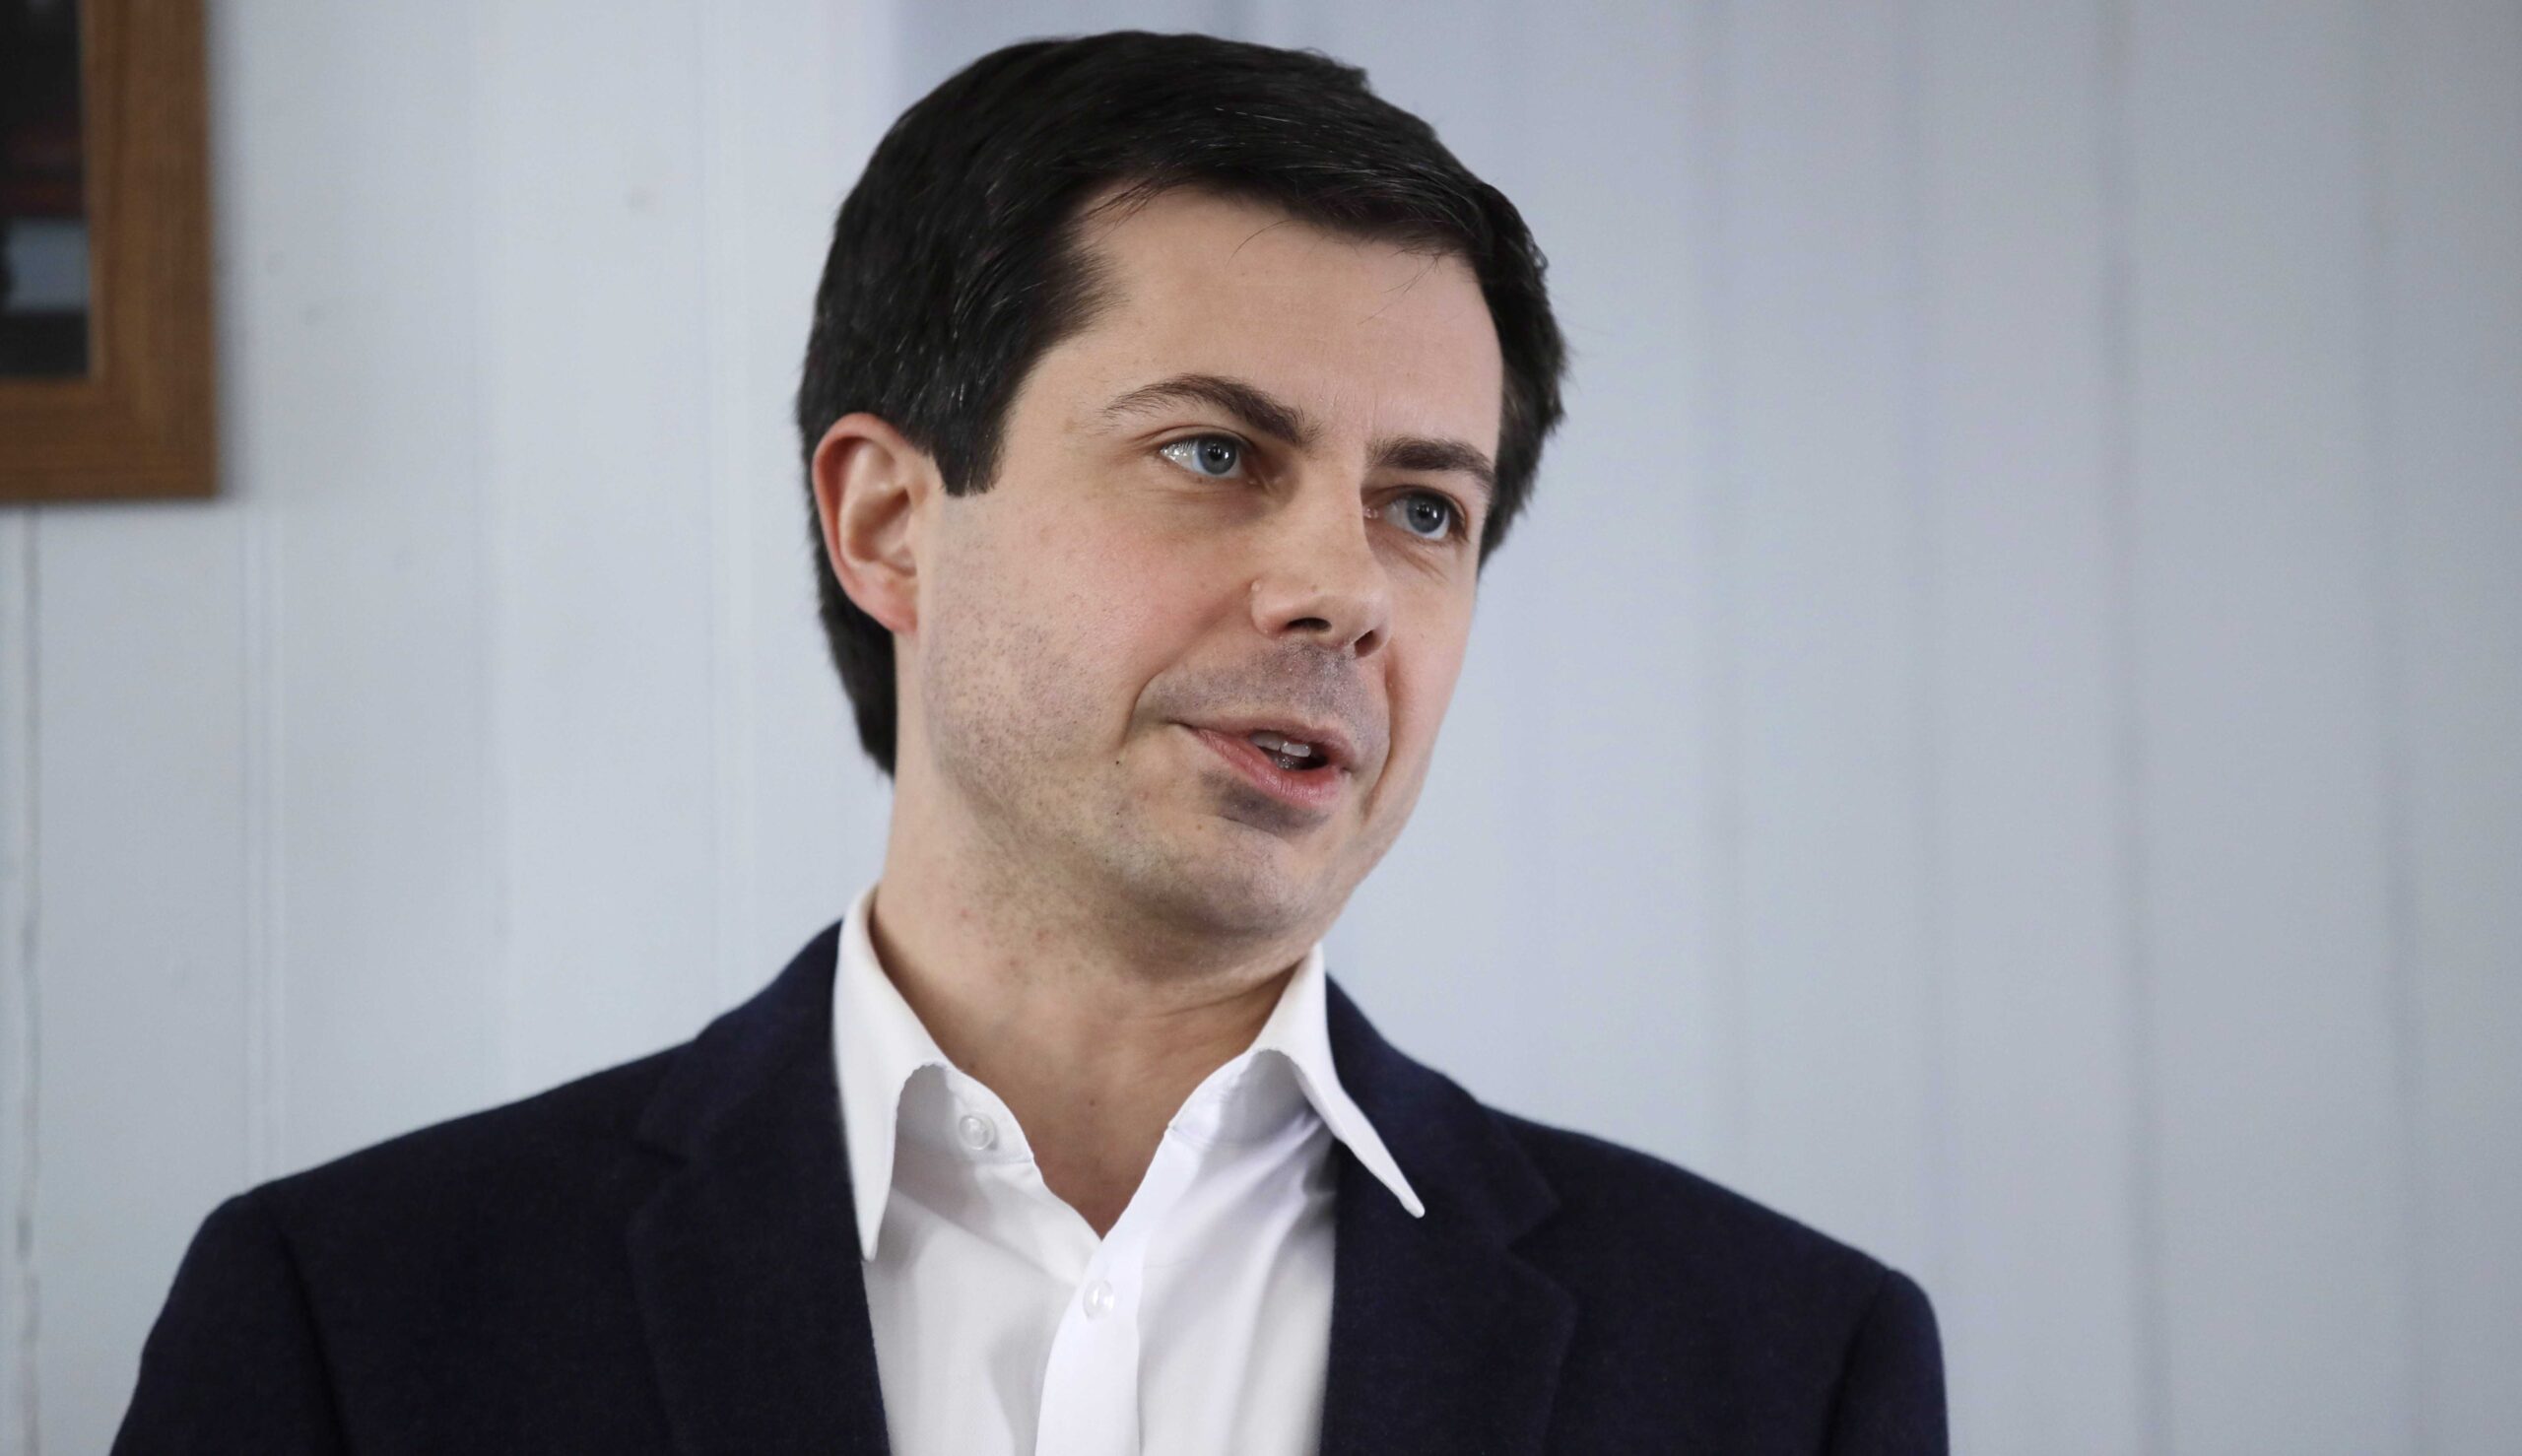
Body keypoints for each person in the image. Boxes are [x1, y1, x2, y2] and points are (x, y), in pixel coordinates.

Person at [114, 31, 1945, 1455]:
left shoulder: (1782, 1364)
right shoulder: (353, 1319)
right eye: (1214, 452)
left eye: (1423, 508)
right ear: (889, 521)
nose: (1345, 591)